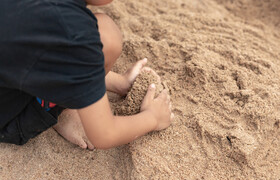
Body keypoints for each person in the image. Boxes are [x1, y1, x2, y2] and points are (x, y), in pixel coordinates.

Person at [0, 0, 174, 149]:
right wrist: (153, 118)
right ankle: (65, 109)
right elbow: (105, 134)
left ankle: (99, 86)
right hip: (9, 119)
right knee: (107, 37)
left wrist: (117, 81)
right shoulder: (75, 33)